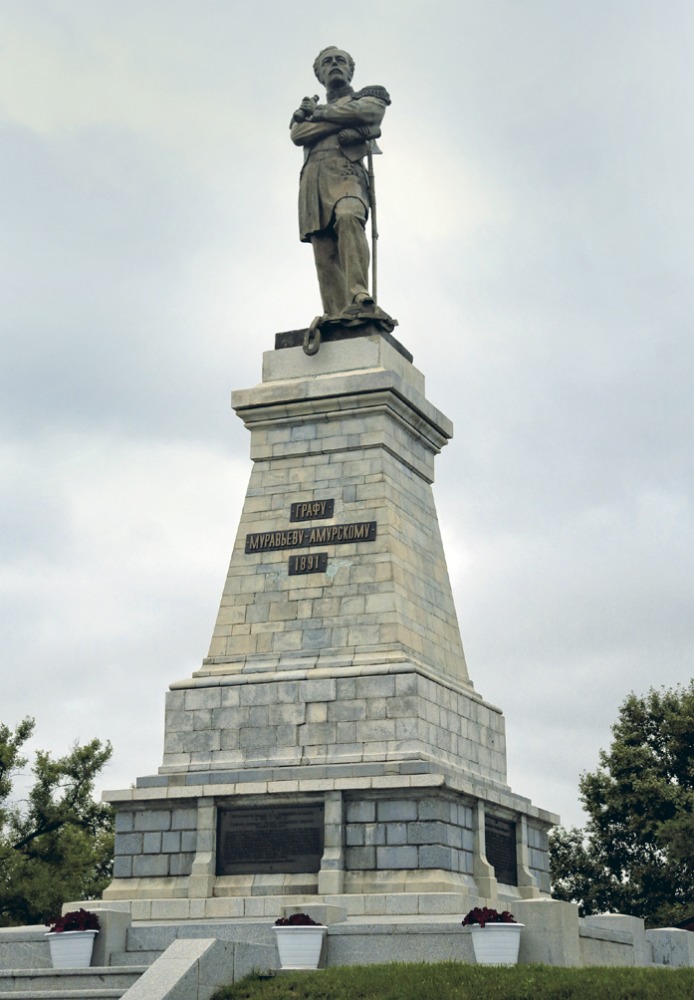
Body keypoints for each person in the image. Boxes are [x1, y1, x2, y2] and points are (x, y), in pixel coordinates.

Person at [290, 47, 391, 324]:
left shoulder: (369, 94)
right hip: (313, 178)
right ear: (320, 74)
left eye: (340, 61)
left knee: (348, 215)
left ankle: (359, 295)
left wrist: (321, 114)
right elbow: (299, 134)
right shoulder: (305, 110)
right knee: (324, 248)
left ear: (350, 69)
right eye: (327, 62)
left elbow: (369, 112)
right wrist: (342, 119)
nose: (334, 64)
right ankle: (336, 313)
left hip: (347, 172)